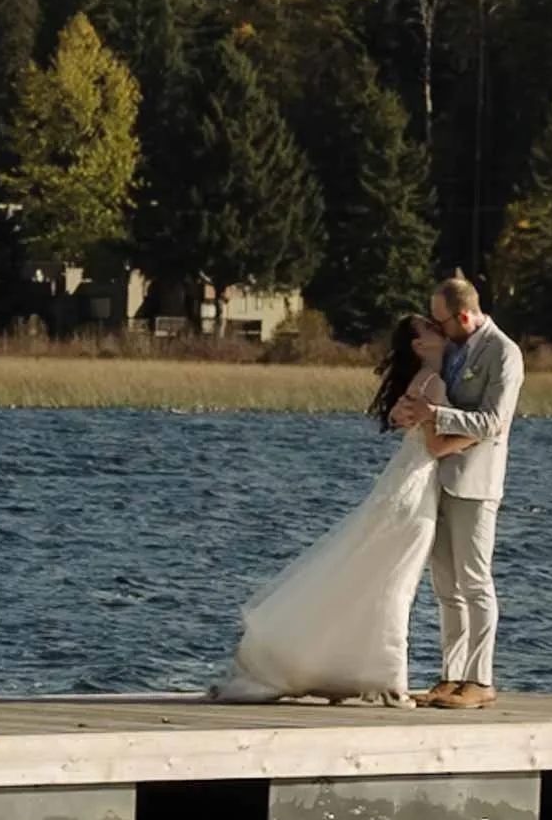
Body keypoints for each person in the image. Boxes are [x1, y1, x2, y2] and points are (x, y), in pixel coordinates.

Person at [208, 315, 475, 705]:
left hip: (405, 482)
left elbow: (412, 427)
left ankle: (363, 668)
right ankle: (387, 677)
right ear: (421, 345)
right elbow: (435, 445)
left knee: (383, 576)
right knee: (396, 581)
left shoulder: (423, 379)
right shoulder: (432, 382)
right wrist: (479, 433)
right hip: (414, 490)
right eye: (432, 329)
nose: (440, 330)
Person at [393, 278, 525, 709]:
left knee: (474, 580)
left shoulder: (503, 353)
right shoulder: (452, 348)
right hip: (438, 477)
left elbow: (493, 422)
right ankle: (451, 676)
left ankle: (480, 679)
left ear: (464, 315)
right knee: (445, 585)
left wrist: (437, 414)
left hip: (475, 482)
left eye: (440, 319)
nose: (436, 326)